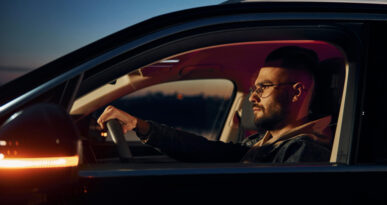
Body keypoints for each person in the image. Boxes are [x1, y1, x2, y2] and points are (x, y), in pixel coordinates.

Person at [97, 46, 333, 163]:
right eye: (254, 88)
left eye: (264, 87)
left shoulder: (303, 152)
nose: (252, 98)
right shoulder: (262, 143)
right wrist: (141, 126)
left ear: (296, 92)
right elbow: (207, 150)